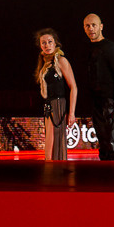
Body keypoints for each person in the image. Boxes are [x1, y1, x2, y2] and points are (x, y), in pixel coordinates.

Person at [83, 13, 114, 160]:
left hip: (111, 103)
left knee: (113, 146)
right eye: (87, 26)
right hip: (98, 104)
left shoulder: (109, 47)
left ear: (101, 26)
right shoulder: (91, 48)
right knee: (104, 147)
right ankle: (107, 180)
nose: (91, 28)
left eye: (94, 25)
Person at [34, 28, 77, 161]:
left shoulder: (61, 61)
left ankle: (52, 165)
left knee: (54, 136)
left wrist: (71, 113)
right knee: (50, 136)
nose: (47, 45)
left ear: (55, 43)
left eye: (50, 42)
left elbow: (74, 87)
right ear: (40, 45)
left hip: (58, 103)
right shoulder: (44, 63)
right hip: (49, 103)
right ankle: (50, 165)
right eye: (44, 43)